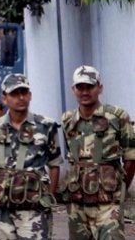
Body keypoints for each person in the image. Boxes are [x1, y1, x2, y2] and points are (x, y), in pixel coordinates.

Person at [0, 74, 62, 239]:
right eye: (14, 93)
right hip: (1, 211)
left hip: (33, 211)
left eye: (24, 92)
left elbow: (55, 165)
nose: (21, 97)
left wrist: (49, 200)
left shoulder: (46, 126)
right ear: (4, 98)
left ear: (30, 95)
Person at [60, 65, 135, 240]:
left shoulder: (117, 116)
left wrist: (120, 188)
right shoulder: (67, 120)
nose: (85, 92)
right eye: (80, 87)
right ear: (73, 89)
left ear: (99, 88)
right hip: (77, 203)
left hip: (108, 204)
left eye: (90, 87)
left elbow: (131, 157)